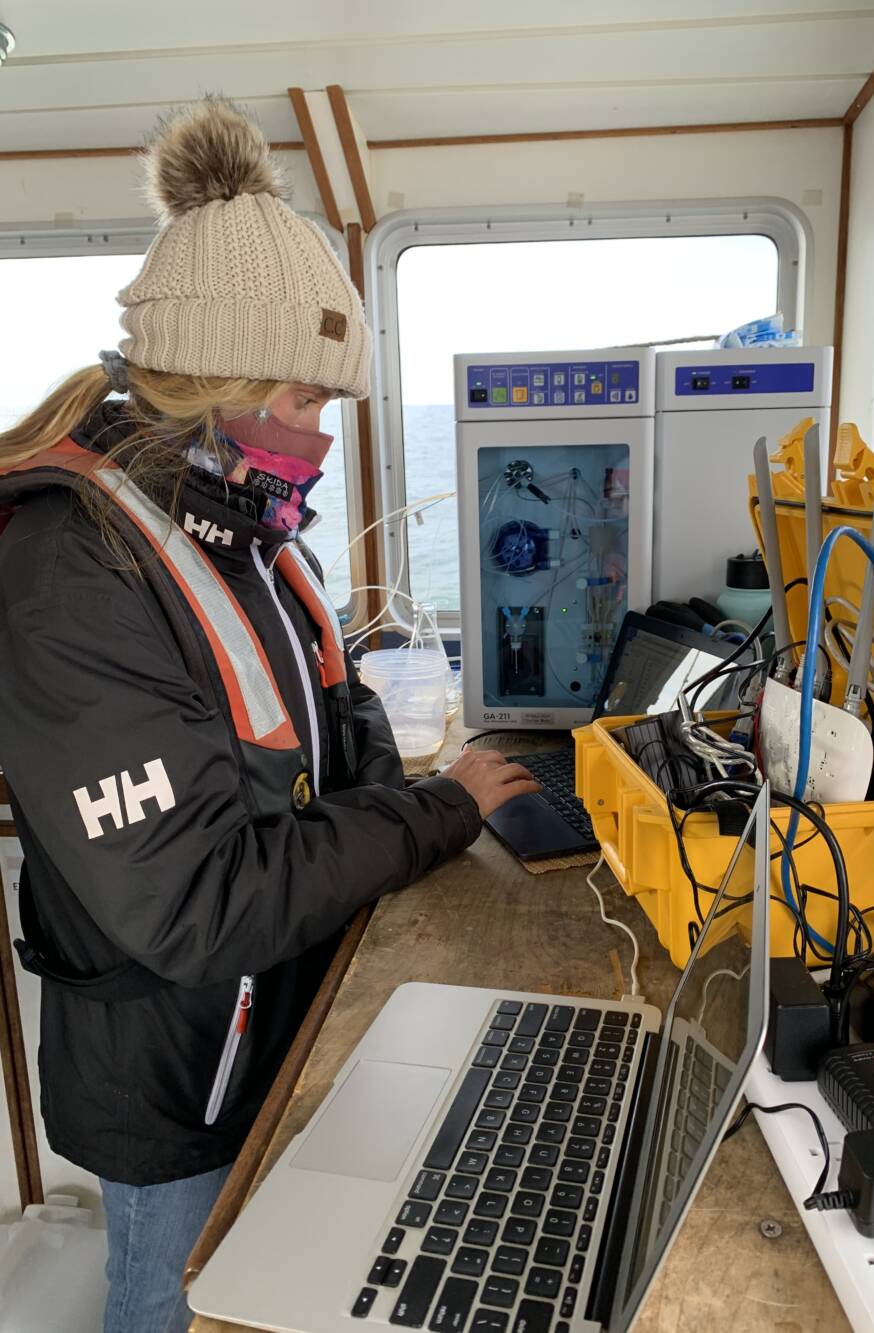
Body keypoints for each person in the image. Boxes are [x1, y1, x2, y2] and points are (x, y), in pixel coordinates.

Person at [0, 97, 537, 1333]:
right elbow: (199, 901)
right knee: (178, 1308)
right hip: (175, 1079)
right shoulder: (72, 573)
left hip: (273, 1035)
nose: (323, 431)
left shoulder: (238, 535)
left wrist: (414, 791)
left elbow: (329, 749)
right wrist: (440, 814)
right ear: (222, 385)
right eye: (306, 398)